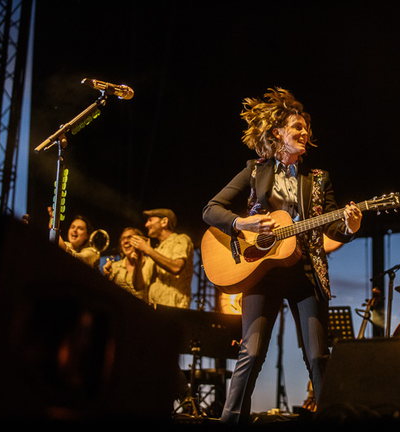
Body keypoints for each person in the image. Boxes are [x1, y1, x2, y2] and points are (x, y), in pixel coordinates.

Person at [202, 87, 363, 424]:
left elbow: (332, 228)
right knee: (253, 351)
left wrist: (349, 227)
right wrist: (241, 222)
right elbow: (211, 210)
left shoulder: (318, 180)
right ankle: (230, 423)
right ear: (278, 134)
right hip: (262, 272)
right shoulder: (255, 171)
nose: (305, 133)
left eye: (306, 129)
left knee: (318, 356)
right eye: (298, 128)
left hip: (306, 272)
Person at [130, 208, 194, 308]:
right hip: (154, 313)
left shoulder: (181, 239)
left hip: (175, 311)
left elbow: (176, 267)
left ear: (164, 222)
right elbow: (138, 286)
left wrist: (147, 249)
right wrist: (137, 264)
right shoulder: (155, 252)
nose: (146, 225)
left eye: (150, 220)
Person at [102, 227, 155, 302]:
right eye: (123, 239)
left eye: (130, 237)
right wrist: (106, 277)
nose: (125, 241)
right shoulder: (115, 267)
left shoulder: (150, 264)